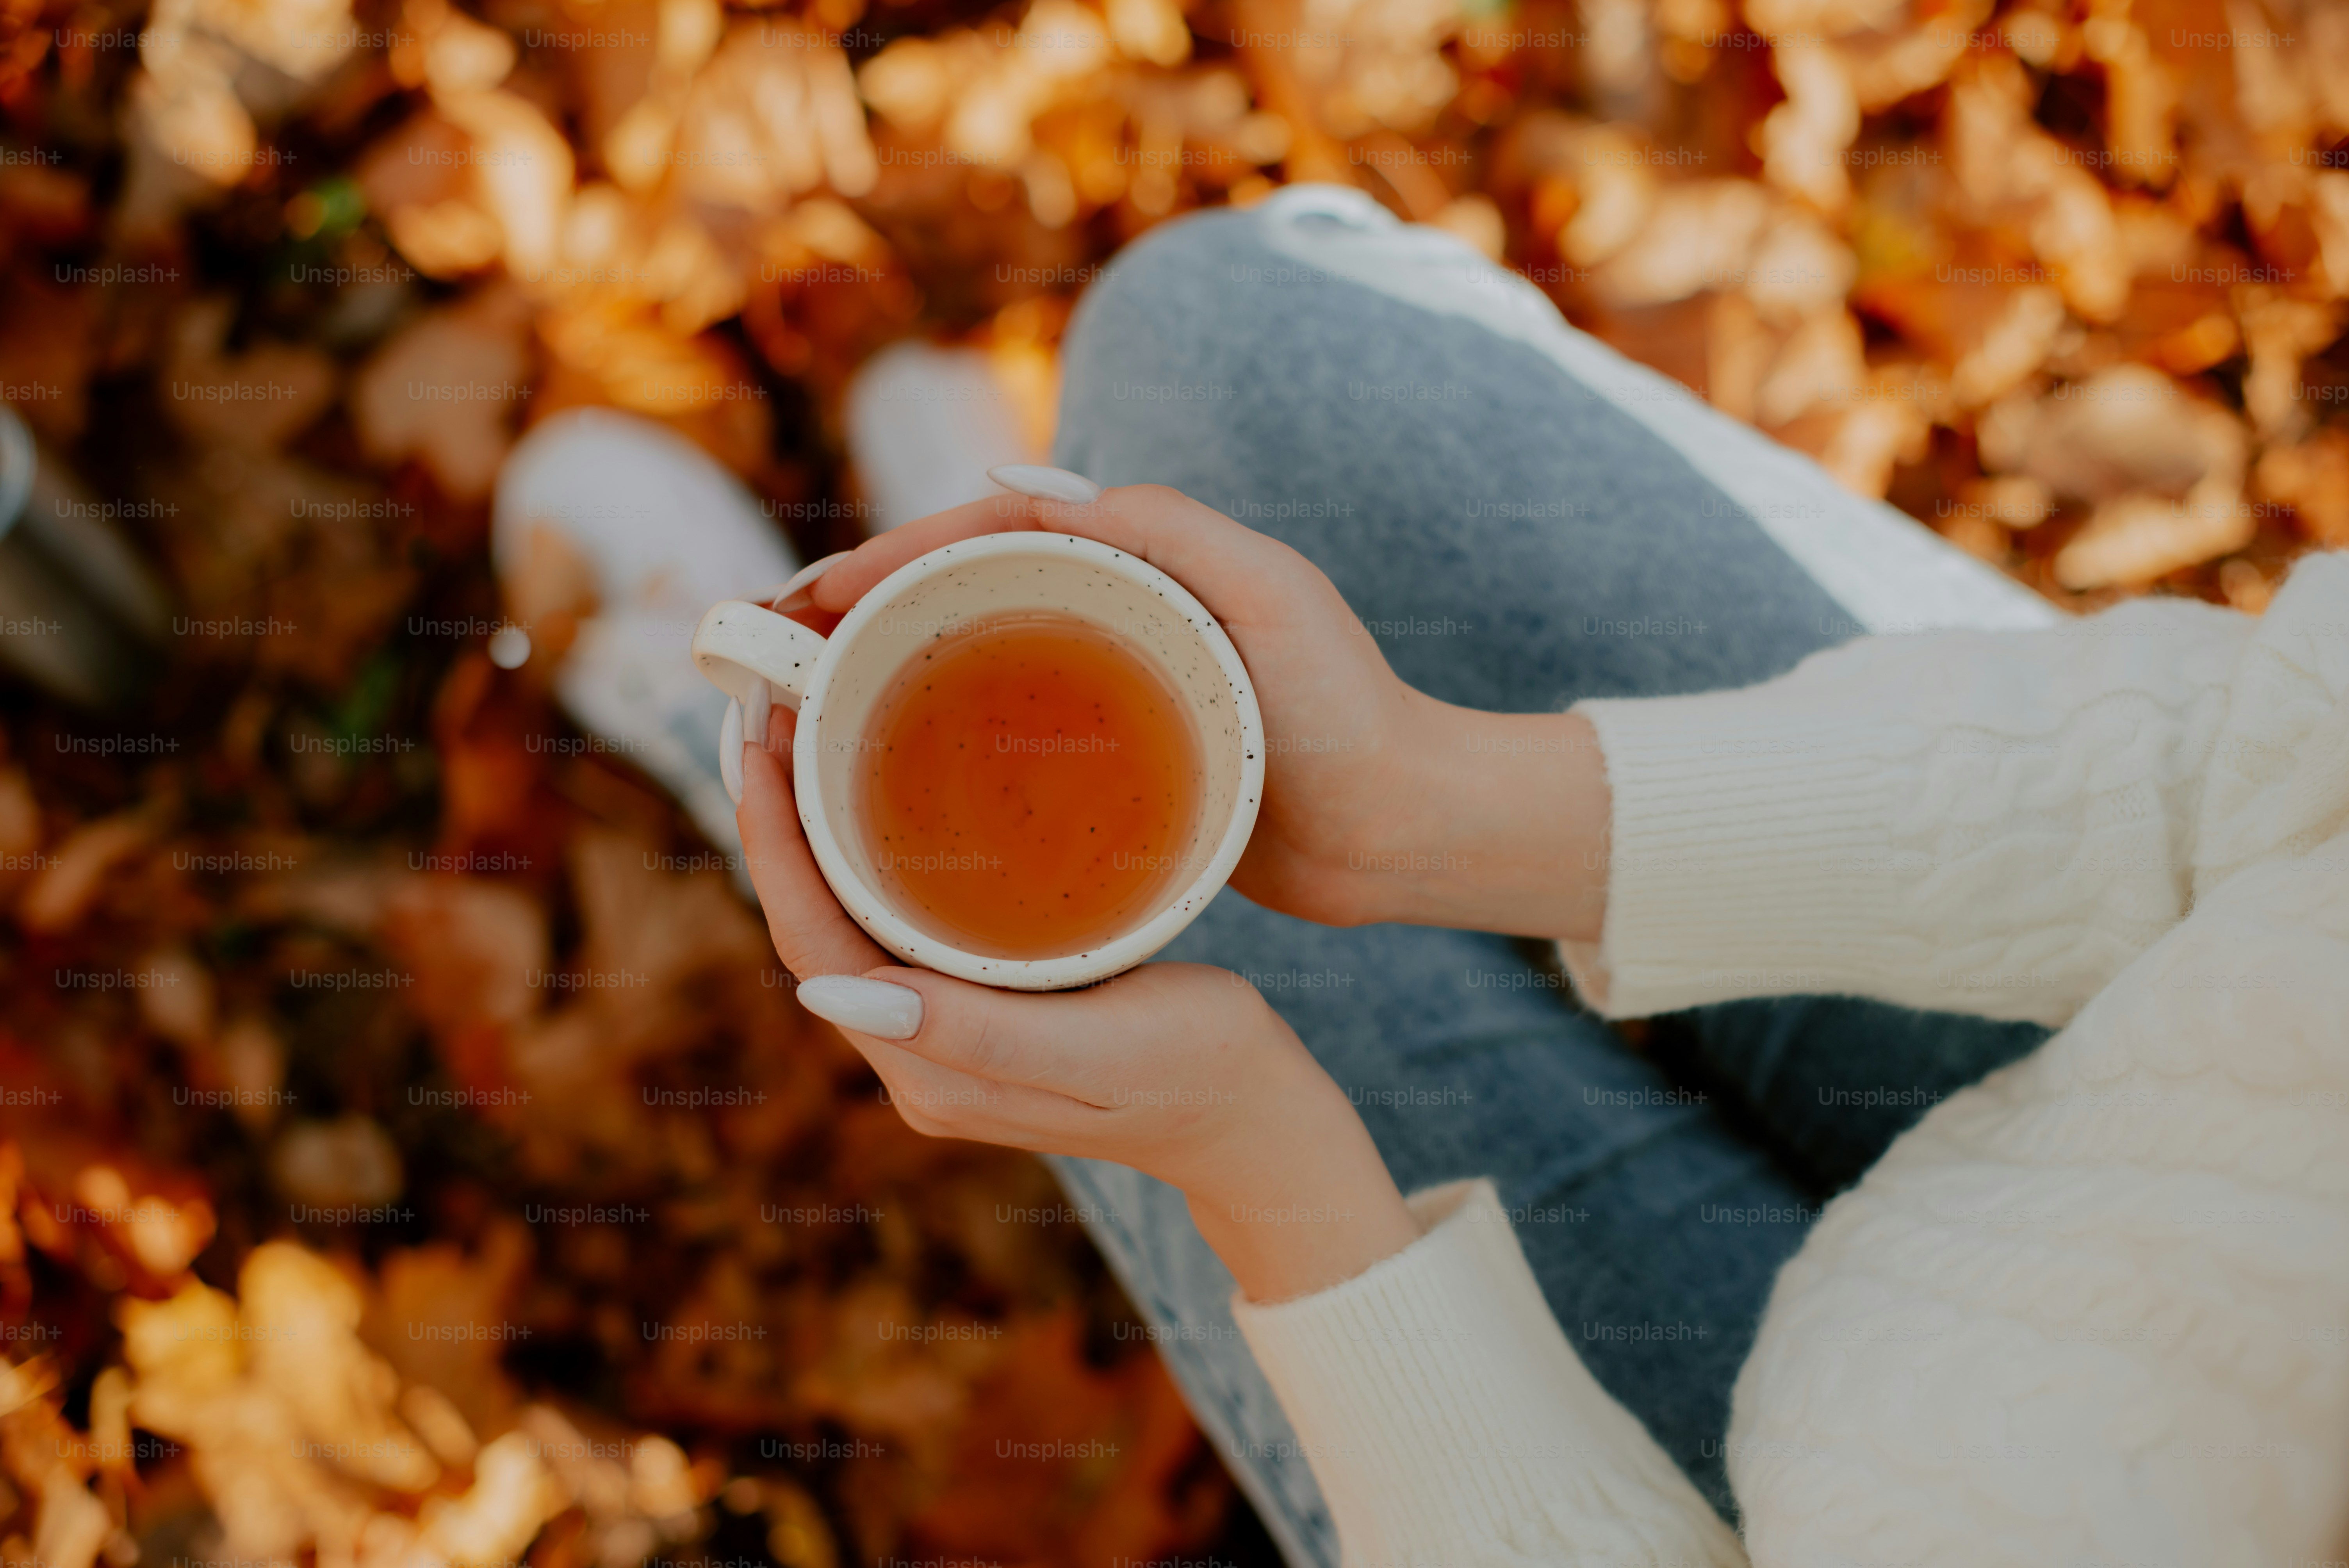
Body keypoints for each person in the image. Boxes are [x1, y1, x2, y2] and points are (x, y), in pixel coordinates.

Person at [581, 185, 2349, 1566]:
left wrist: (1268, 1167)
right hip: (2174, 1043)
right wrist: (1444, 806)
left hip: (1777, 1496)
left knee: (1173, 932)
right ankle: (838, 689)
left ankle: (775, 759)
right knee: (1224, 334)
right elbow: (2296, 763)